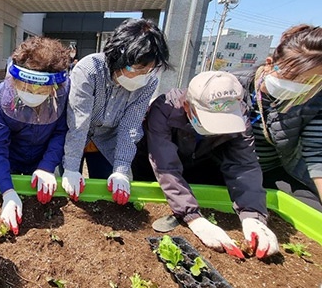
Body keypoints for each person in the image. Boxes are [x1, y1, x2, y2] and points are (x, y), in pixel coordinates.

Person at [133, 71, 279, 259]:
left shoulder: (239, 114)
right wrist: (193, 218)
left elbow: (244, 165)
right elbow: (165, 166)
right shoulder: (165, 108)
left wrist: (253, 216)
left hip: (200, 166)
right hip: (152, 170)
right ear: (187, 105)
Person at [61, 18, 171, 205]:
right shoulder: (89, 69)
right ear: (118, 57)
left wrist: (121, 169)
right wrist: (71, 168)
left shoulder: (148, 82)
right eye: (137, 68)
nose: (142, 75)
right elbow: (78, 121)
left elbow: (131, 126)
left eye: (149, 69)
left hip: (107, 140)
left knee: (105, 197)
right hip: (74, 136)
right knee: (69, 192)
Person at [0, 37, 70, 235]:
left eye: (40, 89)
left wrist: (47, 166)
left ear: (54, 87)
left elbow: (60, 134)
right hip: (12, 158)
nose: (32, 93)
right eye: (24, 86)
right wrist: (7, 192)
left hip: (42, 159)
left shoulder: (63, 98)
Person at [244, 24, 322, 212]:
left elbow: (316, 155)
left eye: (310, 82)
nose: (298, 86)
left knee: (311, 208)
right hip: (223, 168)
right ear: (270, 63)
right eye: (291, 76)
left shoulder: (314, 100)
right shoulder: (234, 85)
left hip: (270, 171)